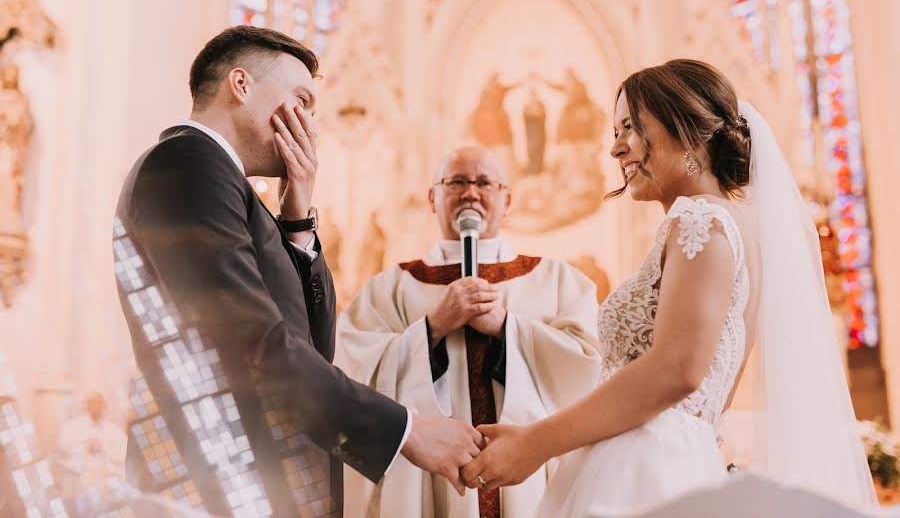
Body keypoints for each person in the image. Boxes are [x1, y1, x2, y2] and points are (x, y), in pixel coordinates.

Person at [461, 60, 877, 515]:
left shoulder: (699, 220)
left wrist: (535, 444)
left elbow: (676, 371)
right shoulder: (738, 231)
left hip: (641, 470)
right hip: (673, 460)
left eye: (630, 128)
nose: (616, 149)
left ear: (687, 130)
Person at [113, 26, 483, 517]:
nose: (309, 123)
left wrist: (298, 217)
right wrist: (409, 430)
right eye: (301, 99)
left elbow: (312, 343)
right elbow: (252, 345)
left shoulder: (229, 185)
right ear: (241, 86)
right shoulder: (186, 163)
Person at [335, 145, 602, 518]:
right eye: (457, 181)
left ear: (507, 200)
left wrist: (509, 328)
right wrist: (431, 328)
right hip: (424, 479)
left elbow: (590, 369)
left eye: (485, 183)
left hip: (529, 485)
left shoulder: (557, 281)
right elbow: (351, 377)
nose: (471, 192)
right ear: (433, 197)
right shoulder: (387, 289)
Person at [56, 392, 127, 496]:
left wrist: (103, 450)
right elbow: (61, 453)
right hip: (81, 486)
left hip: (108, 484)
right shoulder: (71, 428)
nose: (95, 408)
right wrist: (84, 448)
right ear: (84, 407)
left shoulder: (115, 432)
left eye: (99, 404)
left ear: (104, 407)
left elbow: (122, 458)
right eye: (91, 404)